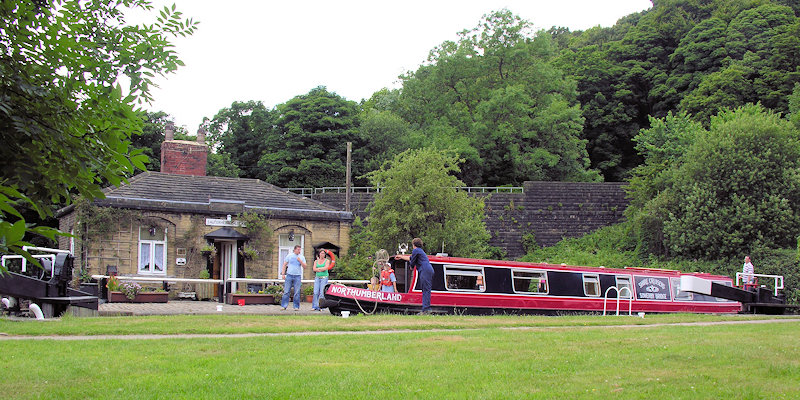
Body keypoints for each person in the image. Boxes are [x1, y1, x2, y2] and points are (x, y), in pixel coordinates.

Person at [409, 237, 434, 314]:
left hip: (424, 270)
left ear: (414, 245)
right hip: (428, 269)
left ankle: (426, 309)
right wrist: (400, 256)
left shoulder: (415, 250)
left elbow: (412, 260)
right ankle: (426, 308)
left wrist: (411, 266)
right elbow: (411, 257)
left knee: (425, 290)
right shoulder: (420, 251)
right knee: (426, 289)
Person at [281, 245, 306, 310]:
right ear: (294, 250)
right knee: (286, 291)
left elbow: (305, 266)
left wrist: (300, 261)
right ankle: (284, 305)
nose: (299, 251)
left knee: (297, 292)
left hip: (297, 276)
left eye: (300, 249)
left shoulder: (302, 257)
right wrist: (283, 273)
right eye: (298, 249)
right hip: (289, 275)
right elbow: (284, 264)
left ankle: (296, 306)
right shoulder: (290, 256)